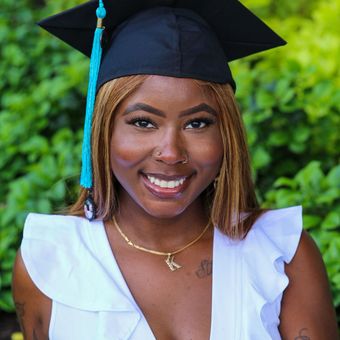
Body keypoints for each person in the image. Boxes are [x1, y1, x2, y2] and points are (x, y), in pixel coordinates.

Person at [12, 1, 338, 339]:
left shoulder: (281, 256)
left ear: (226, 135)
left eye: (197, 123)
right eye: (143, 122)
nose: (170, 153)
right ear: (103, 130)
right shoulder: (50, 261)